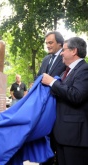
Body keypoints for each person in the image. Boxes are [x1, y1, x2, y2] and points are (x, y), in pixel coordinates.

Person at [41, 37, 88, 165]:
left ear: (74, 51)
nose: (61, 53)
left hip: (74, 138)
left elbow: (76, 95)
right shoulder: (65, 73)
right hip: (62, 136)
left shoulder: (84, 70)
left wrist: (52, 82)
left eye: (64, 50)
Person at [37, 31, 66, 165]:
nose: (47, 46)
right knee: (44, 143)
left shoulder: (66, 58)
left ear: (60, 43)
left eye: (50, 42)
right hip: (43, 107)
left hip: (59, 106)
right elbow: (39, 77)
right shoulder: (45, 59)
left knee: (57, 143)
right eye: (46, 43)